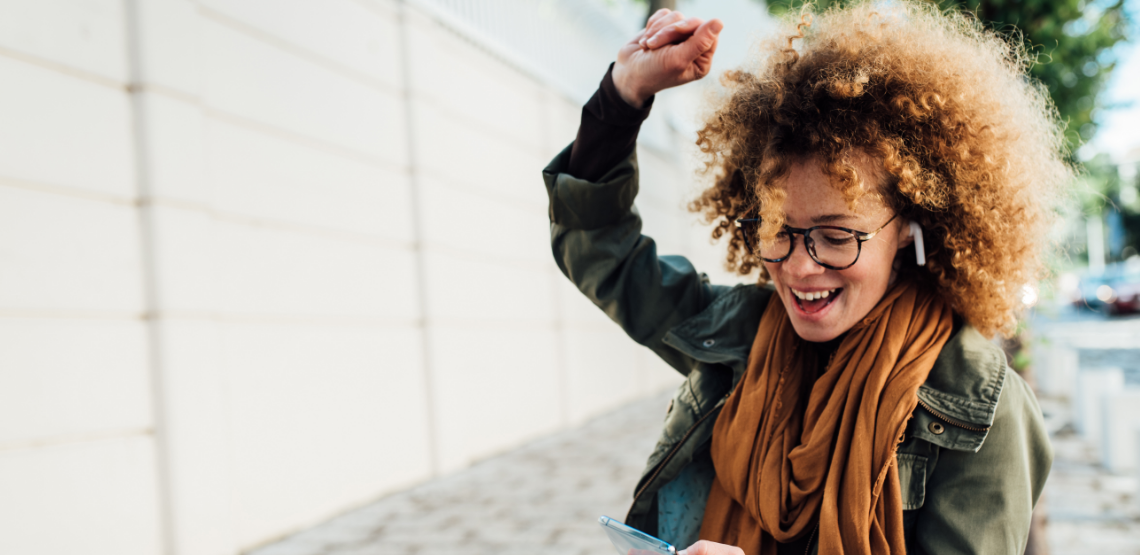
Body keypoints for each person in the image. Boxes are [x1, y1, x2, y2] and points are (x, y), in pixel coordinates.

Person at [542, 1, 1064, 554]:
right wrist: (623, 95)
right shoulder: (737, 335)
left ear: (911, 228)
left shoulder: (981, 406)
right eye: (777, 229)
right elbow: (600, 251)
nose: (798, 266)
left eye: (836, 236)